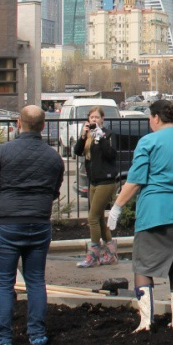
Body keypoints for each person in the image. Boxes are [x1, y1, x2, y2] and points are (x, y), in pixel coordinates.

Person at [107, 100, 173, 332]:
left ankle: (145, 323)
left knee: (143, 266)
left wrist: (117, 207)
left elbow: (134, 181)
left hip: (154, 212)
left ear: (156, 118)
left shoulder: (148, 141)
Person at [0, 105, 64, 345]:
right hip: (39, 223)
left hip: (7, 224)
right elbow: (54, 190)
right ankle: (37, 335)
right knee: (36, 280)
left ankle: (3, 340)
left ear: (18, 123)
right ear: (44, 126)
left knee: (4, 283)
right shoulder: (53, 157)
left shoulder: (2, 152)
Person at [72, 106, 120, 268]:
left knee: (92, 217)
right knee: (98, 218)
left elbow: (111, 155)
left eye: (97, 117)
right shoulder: (87, 136)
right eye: (91, 118)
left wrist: (101, 138)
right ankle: (111, 253)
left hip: (106, 181)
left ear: (102, 119)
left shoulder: (108, 134)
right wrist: (83, 136)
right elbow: (77, 151)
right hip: (93, 181)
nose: (94, 120)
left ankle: (93, 255)